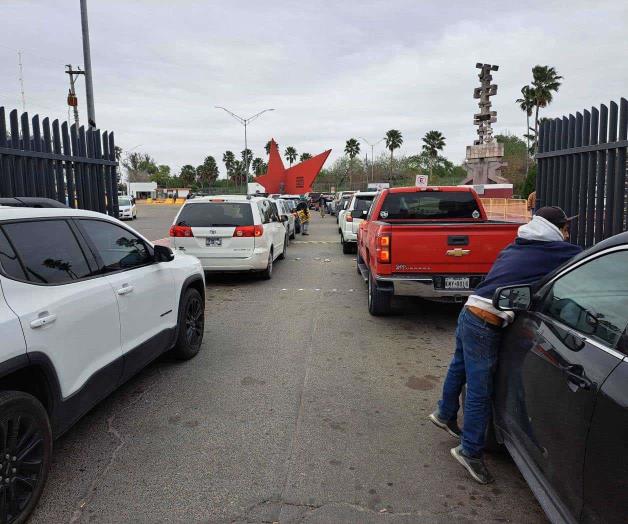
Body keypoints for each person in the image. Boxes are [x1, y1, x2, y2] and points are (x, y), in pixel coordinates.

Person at [429, 206, 582, 485]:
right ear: (555, 228)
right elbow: (585, 261)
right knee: (480, 388)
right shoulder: (557, 251)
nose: (568, 232)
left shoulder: (517, 245)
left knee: (459, 367)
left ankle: (444, 413)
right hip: (485, 321)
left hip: (470, 310)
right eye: (565, 227)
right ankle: (470, 451)